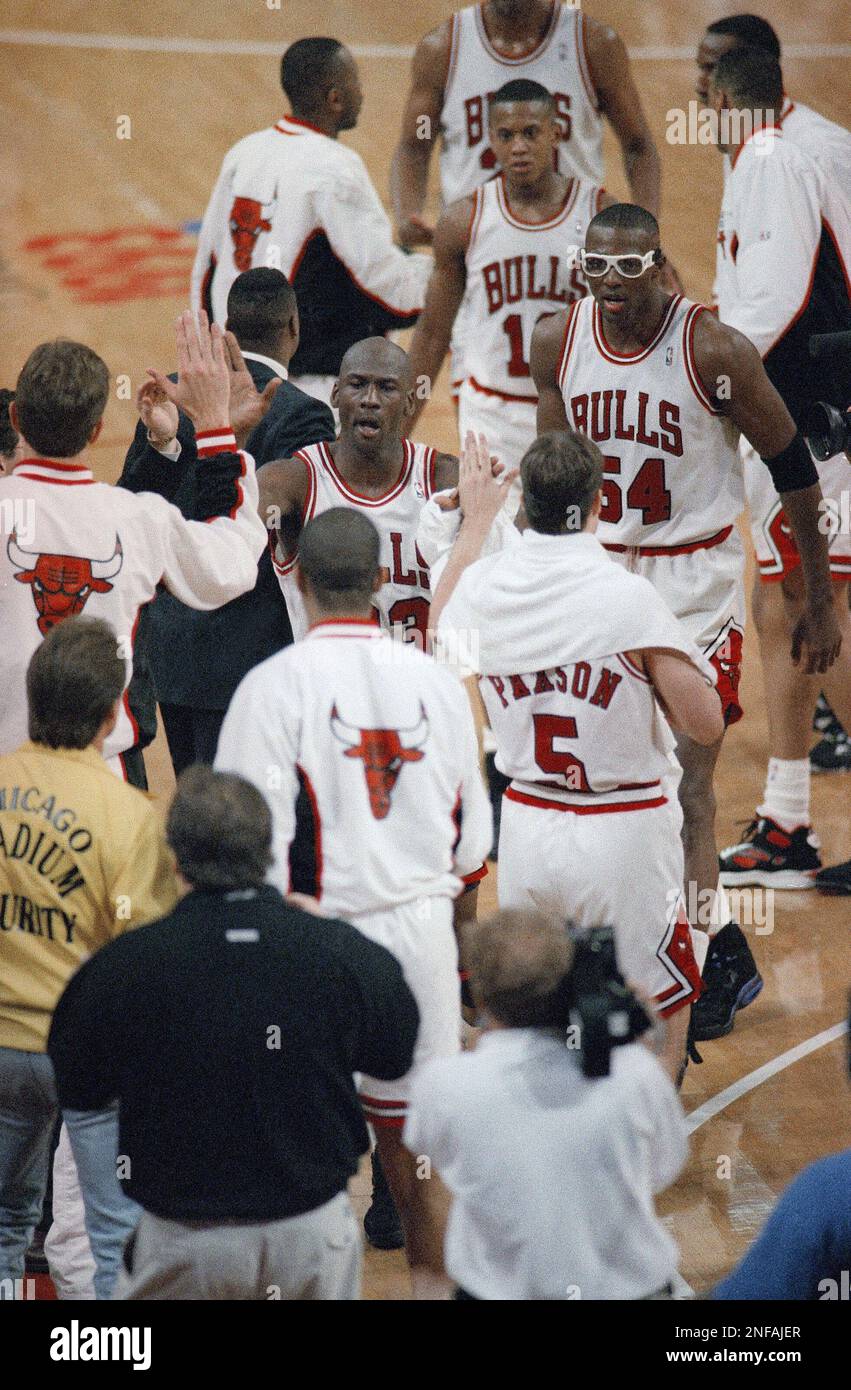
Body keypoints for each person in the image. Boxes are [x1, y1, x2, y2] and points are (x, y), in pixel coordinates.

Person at [530, 203, 841, 1045]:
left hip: (691, 592)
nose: (614, 290)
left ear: (658, 267)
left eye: (631, 272)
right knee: (612, 785)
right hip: (600, 584)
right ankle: (705, 947)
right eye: (599, 271)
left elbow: (793, 469)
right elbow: (554, 474)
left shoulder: (711, 349)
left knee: (683, 790)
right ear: (583, 270)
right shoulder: (556, 342)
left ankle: (702, 956)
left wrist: (815, 597)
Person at [215, 509, 492, 1297]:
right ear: (378, 583)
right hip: (420, 942)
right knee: (419, 1148)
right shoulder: (435, 684)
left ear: (297, 579)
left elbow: (244, 847)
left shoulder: (269, 687)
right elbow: (474, 844)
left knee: (307, 1149)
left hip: (312, 941)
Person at [47, 766, 419, 1301]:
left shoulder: (123, 966)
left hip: (182, 1236)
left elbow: (79, 1088)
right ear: (270, 850)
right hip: (309, 1228)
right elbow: (396, 1055)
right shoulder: (339, 954)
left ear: (173, 857)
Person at [429, 430, 722, 1077]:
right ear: (597, 504)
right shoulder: (626, 597)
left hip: (529, 827)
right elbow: (703, 723)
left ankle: (542, 1139)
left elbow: (439, 651)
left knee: (531, 1000)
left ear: (524, 507)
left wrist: (474, 526)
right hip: (623, 835)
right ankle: (642, 1146)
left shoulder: (483, 590)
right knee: (661, 998)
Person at [0, 315, 268, 780]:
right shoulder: (138, 520)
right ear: (97, 431)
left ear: (15, 417)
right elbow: (231, 564)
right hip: (108, 783)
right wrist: (214, 425)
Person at [705, 49, 851, 894]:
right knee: (782, 605)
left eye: (701, 88)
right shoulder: (770, 154)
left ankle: (789, 822)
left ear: (724, 97)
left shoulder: (770, 157)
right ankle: (787, 822)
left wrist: (697, 378)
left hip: (804, 417)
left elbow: (771, 303)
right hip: (792, 415)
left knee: (813, 604)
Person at [0, 618, 178, 1300]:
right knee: (111, 1234)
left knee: (6, 1221)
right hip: (85, 1053)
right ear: (113, 715)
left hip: (3, 1044)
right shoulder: (129, 815)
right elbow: (140, 962)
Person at [404, 911, 689, 1300]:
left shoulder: (443, 1085)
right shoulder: (635, 1074)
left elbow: (431, 1153)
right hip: (630, 1290)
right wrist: (640, 1044)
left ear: (481, 994)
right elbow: (662, 1168)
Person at [392, 0, 663, 402]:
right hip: (479, 249)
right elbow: (414, 146)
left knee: (585, 399)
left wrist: (647, 240)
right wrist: (407, 213)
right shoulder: (444, 48)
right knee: (483, 394)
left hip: (575, 251)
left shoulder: (592, 43)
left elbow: (639, 146)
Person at [120, 268, 335, 774]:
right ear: (294, 327)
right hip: (253, 655)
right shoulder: (306, 414)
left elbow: (135, 508)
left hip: (172, 652)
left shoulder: (168, 397)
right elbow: (302, 537)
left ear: (227, 330)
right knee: (249, 826)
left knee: (197, 819)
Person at [190, 37, 431, 407]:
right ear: (335, 99)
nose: (363, 93)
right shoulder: (335, 167)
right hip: (313, 390)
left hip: (237, 381)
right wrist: (444, 265)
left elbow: (205, 267)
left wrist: (210, 362)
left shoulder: (245, 151)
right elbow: (388, 290)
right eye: (356, 83)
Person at [407, 80, 610, 457]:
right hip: (491, 414)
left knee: (577, 518)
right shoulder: (464, 219)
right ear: (491, 139)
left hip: (575, 411)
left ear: (556, 132)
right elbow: (433, 334)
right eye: (506, 135)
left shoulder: (597, 215)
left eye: (531, 133)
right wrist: (399, 430)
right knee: (487, 517)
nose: (519, 147)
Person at [259, 337, 458, 649]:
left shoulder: (443, 478)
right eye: (358, 384)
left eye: (386, 388)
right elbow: (221, 544)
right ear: (335, 393)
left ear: (409, 402)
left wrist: (487, 513)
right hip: (333, 691)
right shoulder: (294, 481)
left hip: (419, 688)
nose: (370, 399)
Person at [695, 13, 851, 202]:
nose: (700, 86)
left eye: (713, 69)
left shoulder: (821, 150)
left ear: (757, 70)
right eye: (701, 69)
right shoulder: (739, 136)